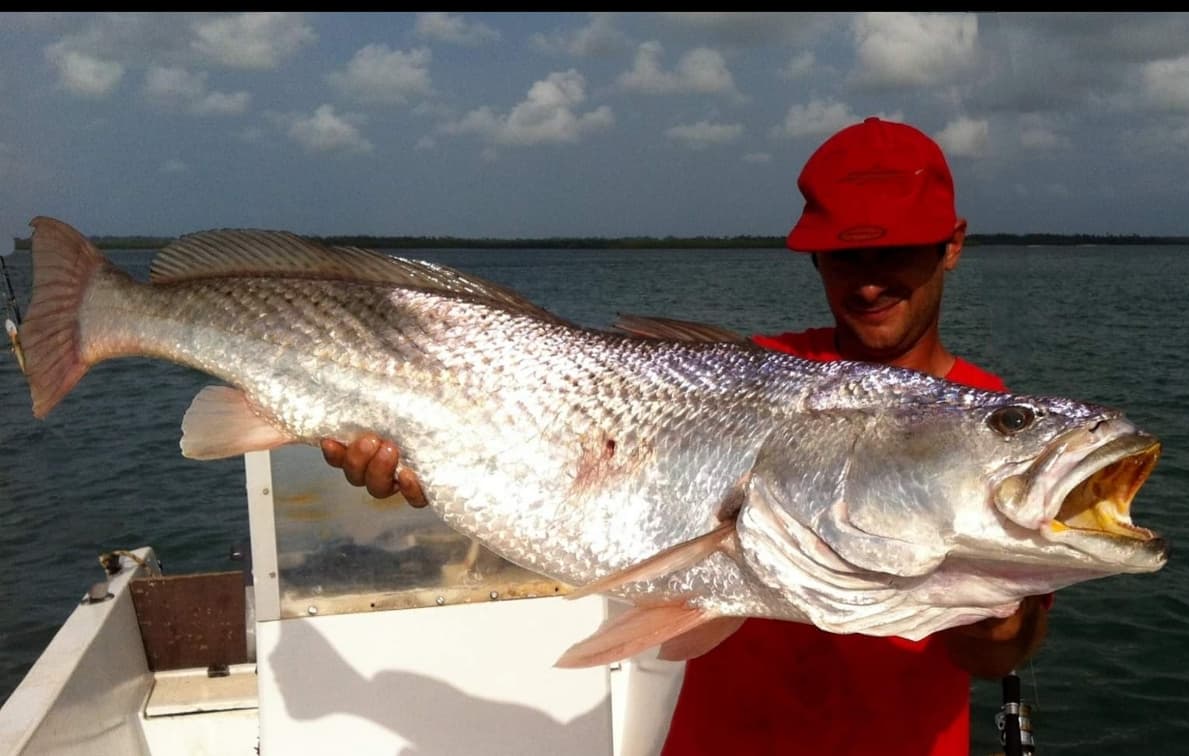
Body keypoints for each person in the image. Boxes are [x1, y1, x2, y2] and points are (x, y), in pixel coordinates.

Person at [321, 116, 1050, 755]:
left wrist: (1001, 626)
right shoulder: (747, 373)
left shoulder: (992, 422)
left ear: (952, 246)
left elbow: (997, 654)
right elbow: (568, 465)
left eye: (898, 252)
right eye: (844, 256)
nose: (868, 281)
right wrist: (425, 464)